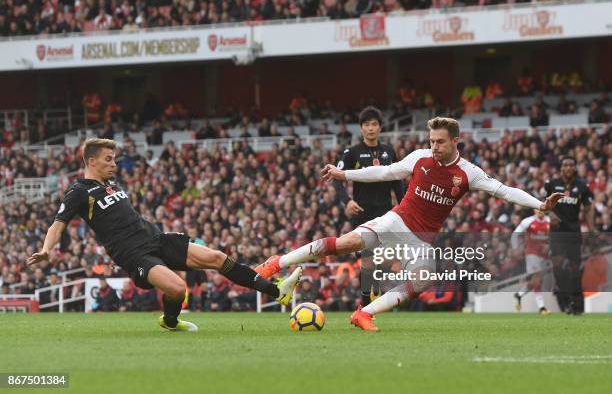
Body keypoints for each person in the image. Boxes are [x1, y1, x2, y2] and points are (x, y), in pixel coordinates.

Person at [254, 117, 564, 331]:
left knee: (424, 280)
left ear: (456, 140)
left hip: (422, 238)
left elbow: (504, 191)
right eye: (431, 141)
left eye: (440, 142)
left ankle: (363, 314)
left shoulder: (467, 173)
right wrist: (344, 175)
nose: (434, 146)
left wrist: (540, 204)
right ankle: (275, 263)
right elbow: (384, 172)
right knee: (346, 244)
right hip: (396, 220)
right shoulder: (419, 158)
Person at [28, 138, 302, 332]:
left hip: (156, 238)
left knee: (216, 257)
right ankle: (170, 322)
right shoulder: (79, 191)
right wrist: (46, 249)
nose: (114, 163)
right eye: (108, 159)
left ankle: (276, 291)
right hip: (135, 254)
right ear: (91, 161)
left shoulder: (110, 183)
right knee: (177, 288)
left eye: (114, 158)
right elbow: (58, 223)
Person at [333, 106, 405, 307]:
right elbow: (337, 179)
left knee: (388, 260)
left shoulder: (389, 152)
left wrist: (405, 206)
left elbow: (397, 182)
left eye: (374, 124)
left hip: (386, 214)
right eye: (367, 124)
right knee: (367, 262)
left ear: (380, 128)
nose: (371, 128)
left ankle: (378, 298)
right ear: (361, 128)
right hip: (362, 214)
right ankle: (366, 308)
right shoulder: (352, 153)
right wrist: (347, 201)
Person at [544, 156, 595, 315]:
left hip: (573, 230)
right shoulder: (551, 184)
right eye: (565, 165)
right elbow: (542, 204)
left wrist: (592, 229)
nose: (568, 167)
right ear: (561, 168)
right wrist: (550, 216)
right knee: (558, 267)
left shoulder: (582, 186)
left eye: (571, 165)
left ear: (575, 167)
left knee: (575, 269)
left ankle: (577, 305)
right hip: (557, 232)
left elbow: (588, 209)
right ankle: (564, 299)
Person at [512, 210, 551, 315]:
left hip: (544, 255)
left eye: (542, 209)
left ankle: (519, 295)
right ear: (534, 210)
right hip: (531, 253)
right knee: (537, 278)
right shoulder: (528, 221)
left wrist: (549, 246)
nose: (540, 211)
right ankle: (542, 308)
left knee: (537, 281)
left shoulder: (549, 221)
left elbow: (555, 236)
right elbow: (515, 234)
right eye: (538, 209)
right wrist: (515, 248)